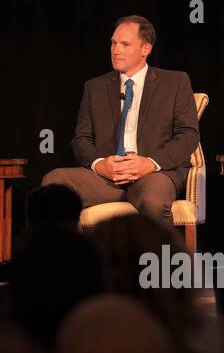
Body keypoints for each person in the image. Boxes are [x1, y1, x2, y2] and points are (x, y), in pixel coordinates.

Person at [42, 15, 200, 225]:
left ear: (146, 49)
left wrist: (150, 163)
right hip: (106, 178)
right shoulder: (95, 87)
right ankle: (65, 257)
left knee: (152, 200)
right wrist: (100, 164)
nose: (115, 50)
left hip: (154, 174)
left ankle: (153, 259)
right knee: (53, 183)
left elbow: (188, 135)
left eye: (125, 44)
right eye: (113, 43)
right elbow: (81, 139)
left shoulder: (175, 82)